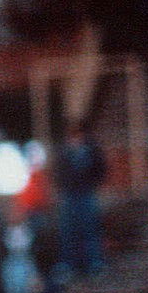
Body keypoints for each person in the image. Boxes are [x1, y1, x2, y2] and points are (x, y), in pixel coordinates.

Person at [52, 120, 106, 282]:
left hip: (86, 194)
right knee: (68, 231)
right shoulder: (64, 153)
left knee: (90, 229)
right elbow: (58, 172)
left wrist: (93, 184)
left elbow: (100, 169)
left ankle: (94, 263)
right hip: (69, 195)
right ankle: (69, 264)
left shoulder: (91, 151)